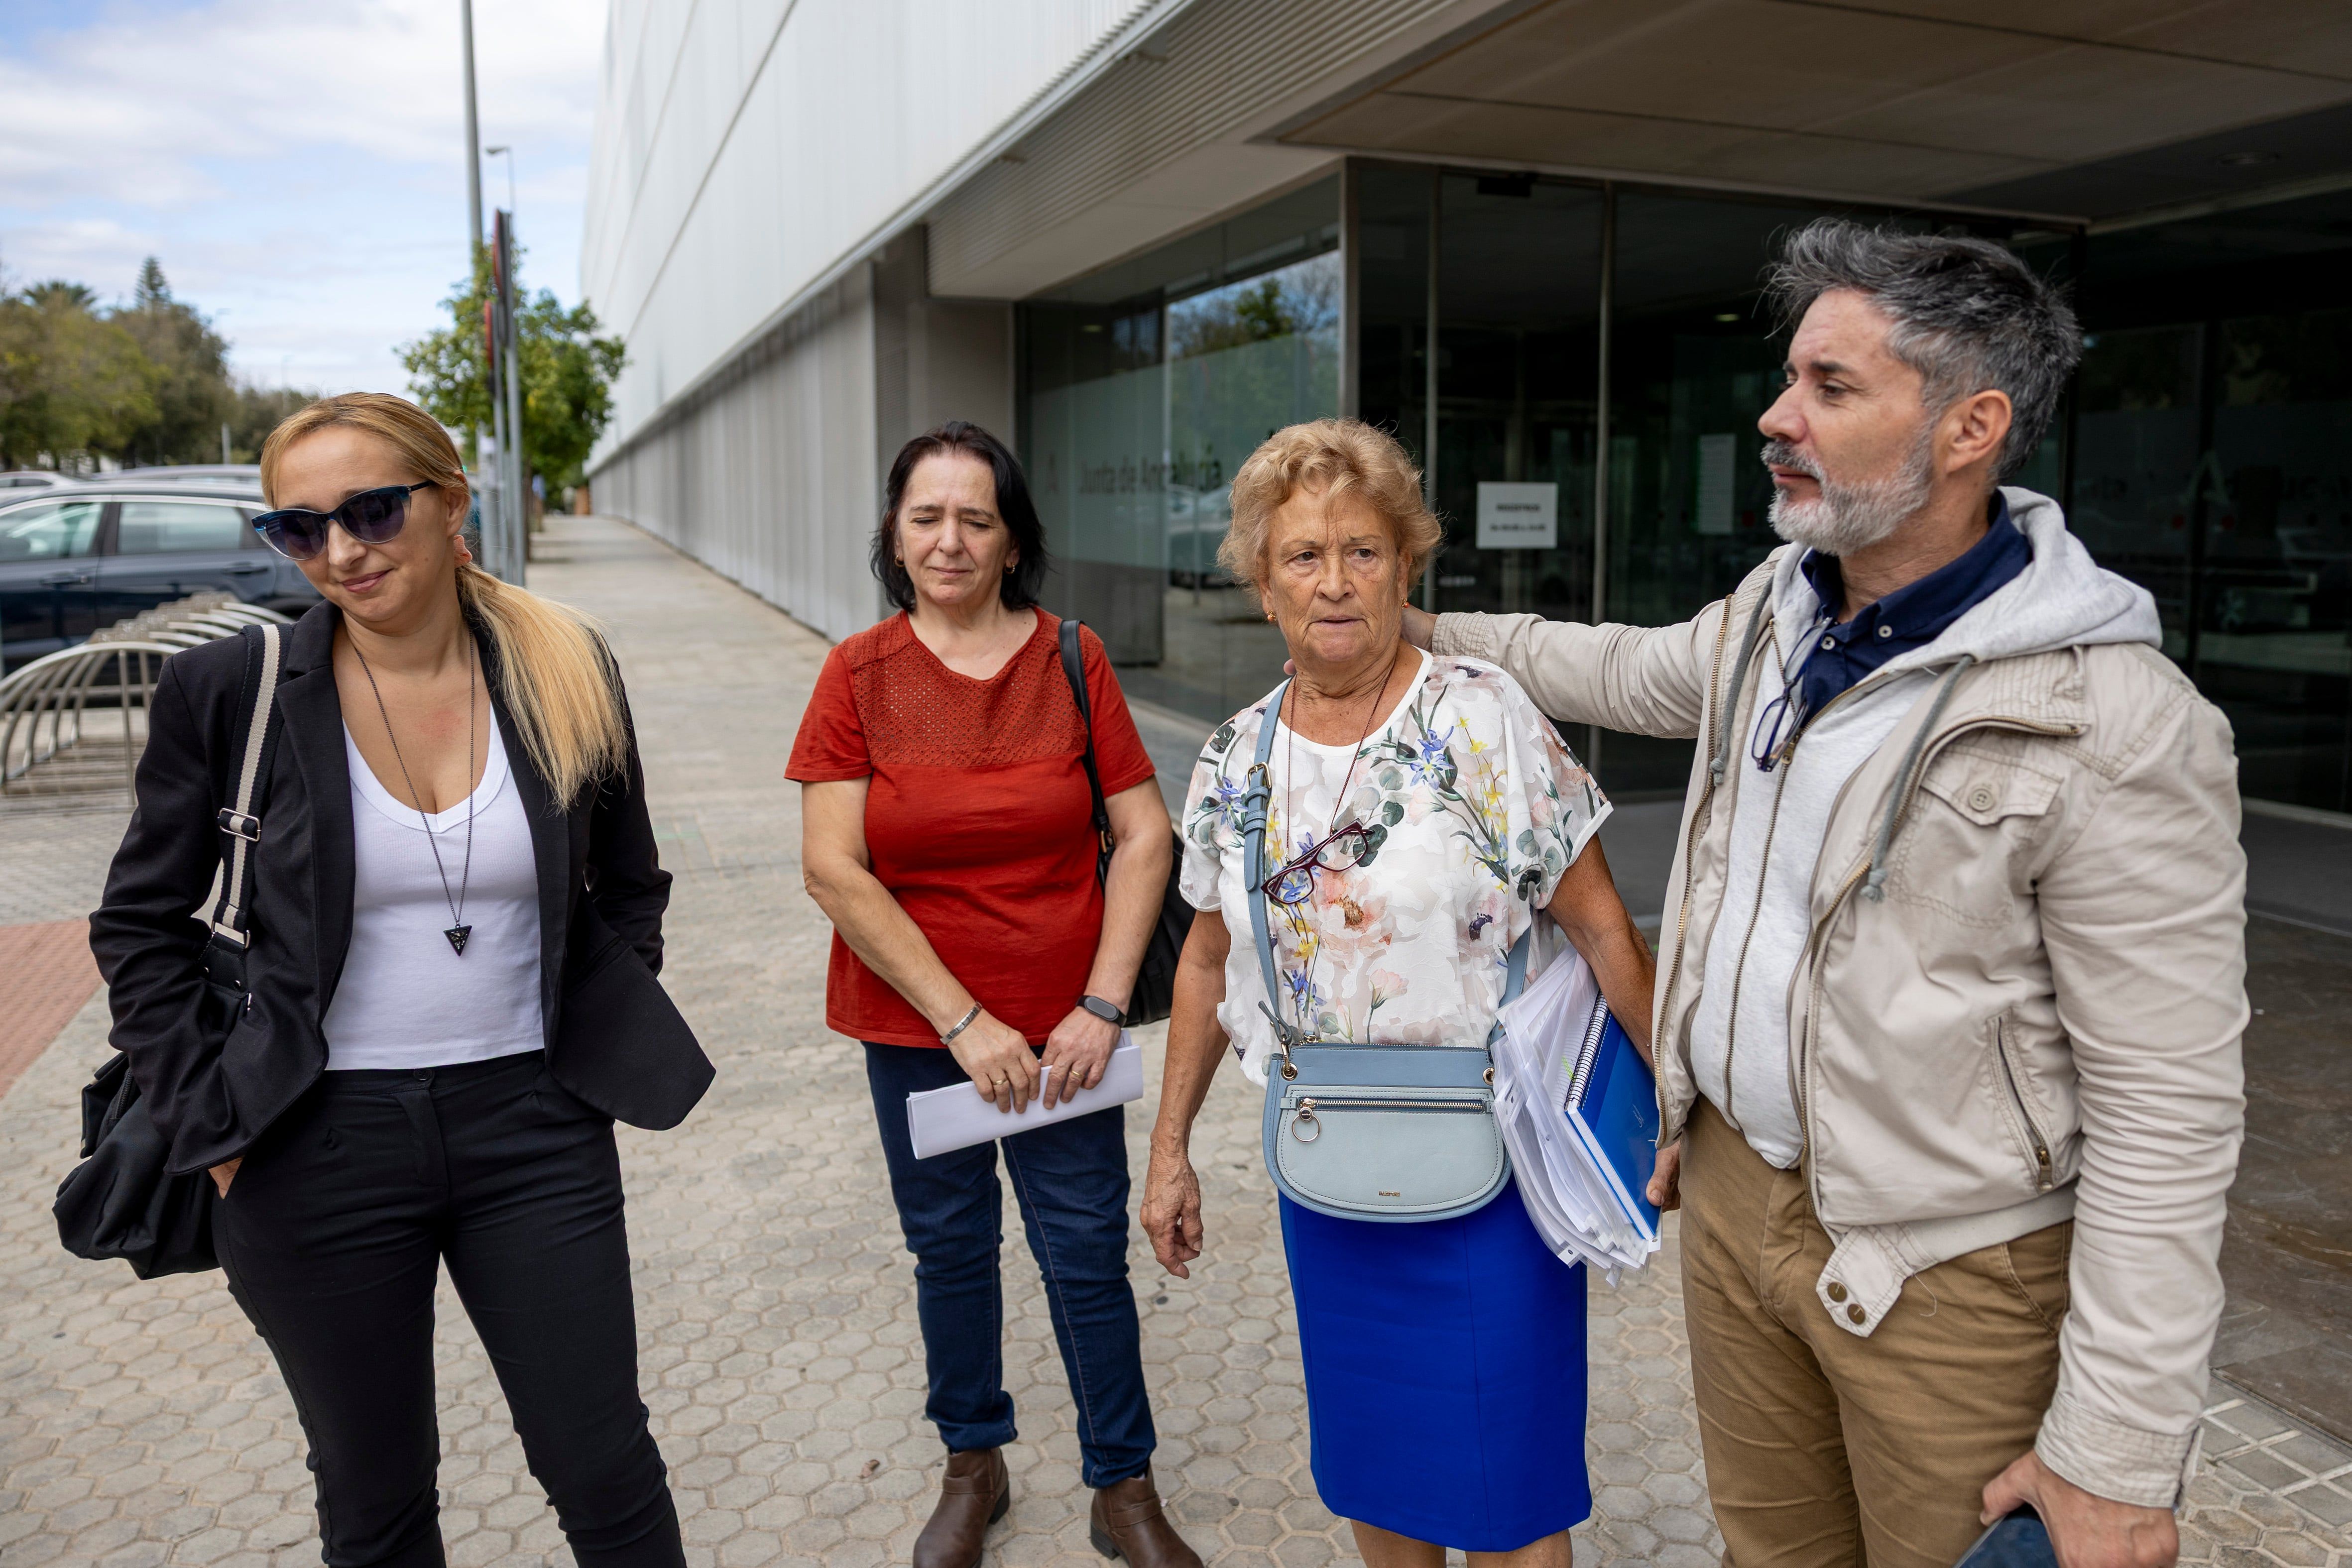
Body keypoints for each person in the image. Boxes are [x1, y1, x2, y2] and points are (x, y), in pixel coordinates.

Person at [1407, 220, 2247, 1568]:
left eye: (1829, 387)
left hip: (1953, 1274)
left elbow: (2169, 1108)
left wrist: (2115, 1450)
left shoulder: (2117, 718)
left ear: (1969, 426)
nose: (1772, 414)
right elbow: (1620, 668)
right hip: (1732, 1200)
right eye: (1788, 375)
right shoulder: (1773, 615)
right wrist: (1405, 630)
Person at [89, 392, 712, 1567]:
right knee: (374, 1498)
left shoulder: (563, 665)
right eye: (299, 528)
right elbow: (138, 926)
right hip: (307, 1143)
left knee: (604, 1466)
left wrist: (587, 1043)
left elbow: (629, 884)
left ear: (451, 502)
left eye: (371, 511)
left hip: (534, 1130)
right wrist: (208, 1122)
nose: (341, 551)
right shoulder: (235, 690)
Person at [1139, 419, 1657, 1568]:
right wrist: (1168, 1149)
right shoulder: (1233, 757)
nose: (1334, 582)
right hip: (1328, 1167)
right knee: (1381, 1476)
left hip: (1497, 1171)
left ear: (1406, 569)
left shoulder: (1482, 719)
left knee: (1514, 1496)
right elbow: (1206, 962)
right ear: (1261, 585)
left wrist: (1672, 1109)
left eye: (1363, 552)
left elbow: (1601, 925)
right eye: (1303, 557)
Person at [789, 422, 1199, 1568]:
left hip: (1070, 1034)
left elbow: (1143, 832)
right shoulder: (857, 674)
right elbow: (833, 867)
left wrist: (1105, 1003)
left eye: (976, 518)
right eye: (927, 516)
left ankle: (1123, 1487)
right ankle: (974, 1465)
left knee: (1083, 1250)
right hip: (919, 1033)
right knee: (951, 1251)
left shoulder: (1073, 656)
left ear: (1012, 539)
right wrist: (962, 1022)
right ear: (894, 532)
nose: (950, 540)